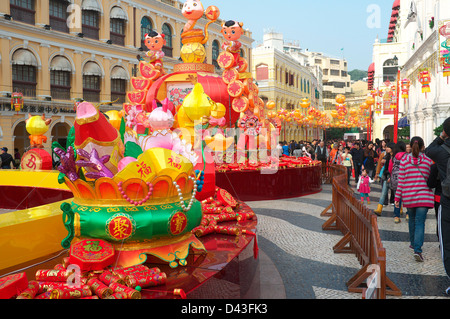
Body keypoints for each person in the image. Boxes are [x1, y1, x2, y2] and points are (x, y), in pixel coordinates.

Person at [395, 137, 434, 262]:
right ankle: (418, 250)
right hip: (424, 197)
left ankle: (413, 243)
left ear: (410, 146)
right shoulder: (428, 161)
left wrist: (397, 198)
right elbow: (430, 179)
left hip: (409, 196)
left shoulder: (404, 161)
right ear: (423, 147)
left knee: (411, 220)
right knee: (420, 223)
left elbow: (401, 181)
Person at [425, 118, 450, 288]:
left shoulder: (441, 151)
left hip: (447, 201)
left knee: (446, 241)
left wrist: (442, 136)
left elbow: (428, 150)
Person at [374, 142, 396, 218]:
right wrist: (378, 173)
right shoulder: (385, 156)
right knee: (383, 193)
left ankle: (399, 209)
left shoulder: (395, 157)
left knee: (397, 195)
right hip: (386, 176)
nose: (386, 148)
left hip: (394, 178)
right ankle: (379, 209)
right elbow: (381, 165)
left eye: (388, 147)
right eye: (386, 147)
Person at [389, 141, 407, 223]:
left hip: (395, 179)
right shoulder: (407, 156)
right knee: (406, 197)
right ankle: (408, 214)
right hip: (405, 178)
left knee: (397, 197)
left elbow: (390, 168)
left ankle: (396, 216)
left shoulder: (394, 157)